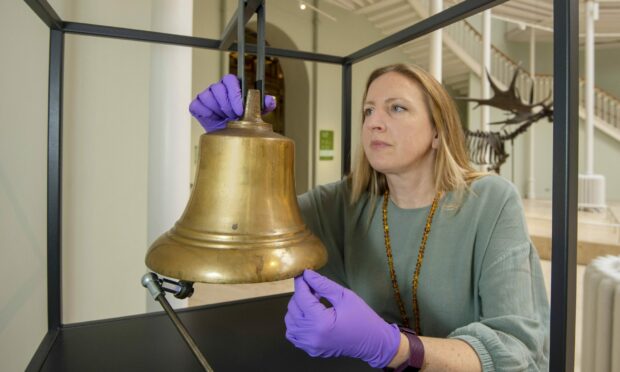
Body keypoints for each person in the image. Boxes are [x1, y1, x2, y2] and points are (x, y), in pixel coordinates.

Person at [189, 64, 550, 371]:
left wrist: (398, 349)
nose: (374, 123)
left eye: (396, 109)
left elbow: (516, 350)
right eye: (368, 111)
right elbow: (245, 225)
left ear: (438, 131)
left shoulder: (490, 201)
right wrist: (231, 144)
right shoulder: (342, 203)